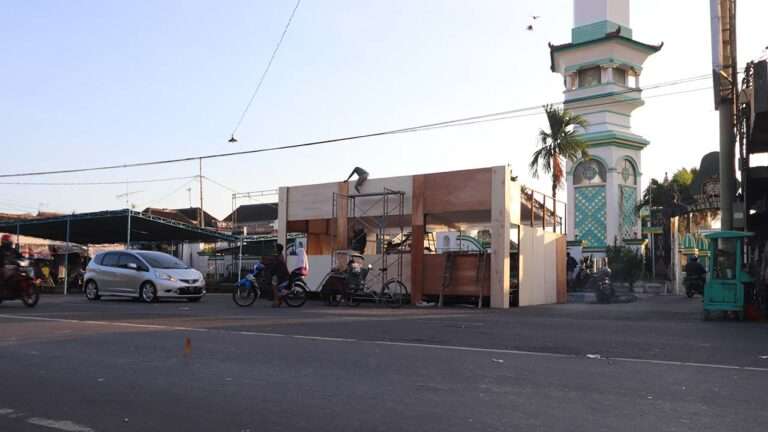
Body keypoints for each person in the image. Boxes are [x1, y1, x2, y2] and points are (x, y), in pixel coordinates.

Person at [264, 243, 290, 307]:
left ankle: (276, 301)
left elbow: (274, 265)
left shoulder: (278, 257)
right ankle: (280, 300)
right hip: (282, 273)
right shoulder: (280, 255)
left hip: (280, 274)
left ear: (277, 249)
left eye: (275, 248)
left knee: (274, 286)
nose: (274, 249)